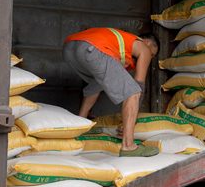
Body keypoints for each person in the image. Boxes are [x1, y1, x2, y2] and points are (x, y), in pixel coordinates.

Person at [63, 27, 160, 157]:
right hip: (93, 48)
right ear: (147, 43)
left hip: (70, 48)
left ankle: (81, 125)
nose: (150, 57)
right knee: (133, 92)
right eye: (152, 54)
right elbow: (139, 86)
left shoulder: (121, 46)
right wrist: (132, 121)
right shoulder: (143, 48)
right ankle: (128, 146)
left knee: (96, 82)